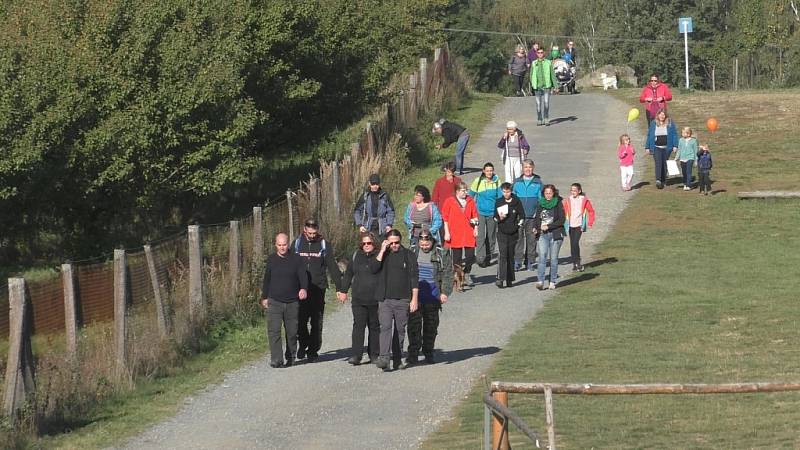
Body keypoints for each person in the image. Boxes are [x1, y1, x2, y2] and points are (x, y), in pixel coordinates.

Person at [290, 218, 342, 362]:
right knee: (300, 320)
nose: (312, 236)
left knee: (316, 321)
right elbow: (289, 265)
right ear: (305, 229)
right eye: (310, 233)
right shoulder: (297, 244)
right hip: (300, 289)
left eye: (314, 233)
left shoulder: (324, 245)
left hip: (318, 288)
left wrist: (340, 287)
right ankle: (303, 343)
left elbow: (332, 266)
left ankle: (313, 350)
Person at [260, 233, 308, 368]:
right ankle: (276, 359)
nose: (282, 247)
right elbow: (267, 279)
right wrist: (264, 297)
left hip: (292, 302)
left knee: (292, 332)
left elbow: (303, 276)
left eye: (284, 245)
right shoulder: (271, 260)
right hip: (274, 301)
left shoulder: (296, 259)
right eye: (279, 245)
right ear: (276, 245)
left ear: (288, 244)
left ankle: (291, 356)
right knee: (274, 331)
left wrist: (303, 288)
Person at [374, 229, 419, 372]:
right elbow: (374, 269)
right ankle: (384, 358)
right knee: (385, 327)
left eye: (397, 242)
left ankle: (398, 358)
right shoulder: (383, 255)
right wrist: (382, 250)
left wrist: (414, 299)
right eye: (391, 243)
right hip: (385, 299)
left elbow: (414, 278)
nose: (394, 245)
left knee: (400, 330)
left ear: (401, 241)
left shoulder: (409, 255)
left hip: (403, 299)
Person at [406, 230, 453, 365]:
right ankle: (413, 354)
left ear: (432, 241)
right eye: (422, 244)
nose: (424, 246)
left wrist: (445, 292)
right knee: (413, 327)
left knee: (431, 326)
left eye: (427, 244)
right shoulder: (412, 251)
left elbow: (448, 273)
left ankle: (428, 352)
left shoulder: (441, 253)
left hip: (433, 295)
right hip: (416, 295)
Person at [338, 232, 382, 365]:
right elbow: (348, 274)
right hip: (358, 298)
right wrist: (343, 290)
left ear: (374, 243)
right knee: (358, 326)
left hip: (376, 298)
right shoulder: (356, 255)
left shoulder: (380, 256)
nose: (366, 245)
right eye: (364, 243)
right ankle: (356, 355)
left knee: (374, 326)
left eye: (369, 243)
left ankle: (374, 354)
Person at [441, 181, 479, 288]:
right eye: (463, 190)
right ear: (457, 191)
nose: (465, 192)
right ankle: (458, 278)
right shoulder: (450, 201)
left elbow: (475, 215)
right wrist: (447, 232)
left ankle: (466, 272)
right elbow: (445, 218)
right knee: (456, 258)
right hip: (455, 232)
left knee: (470, 256)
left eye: (466, 190)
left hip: (468, 232)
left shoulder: (470, 200)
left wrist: (476, 227)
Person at [469, 162, 501, 268]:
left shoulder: (497, 181)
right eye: (487, 170)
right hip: (480, 212)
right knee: (480, 236)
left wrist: (501, 212)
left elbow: (500, 198)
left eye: (491, 170)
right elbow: (470, 196)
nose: (489, 172)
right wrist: (470, 210)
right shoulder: (478, 181)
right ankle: (480, 258)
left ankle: (488, 256)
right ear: (483, 171)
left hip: (492, 213)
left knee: (491, 237)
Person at [512, 159, 543, 271]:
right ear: (522, 168)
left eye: (530, 167)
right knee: (518, 239)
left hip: (532, 216)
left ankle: (530, 261)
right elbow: (513, 198)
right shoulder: (517, 182)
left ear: (533, 168)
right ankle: (517, 261)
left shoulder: (538, 182)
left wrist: (538, 213)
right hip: (519, 217)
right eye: (525, 167)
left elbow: (541, 200)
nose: (528, 169)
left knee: (531, 239)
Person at [493, 183, 525, 288]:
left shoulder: (516, 201)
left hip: (513, 232)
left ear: (511, 191)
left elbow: (522, 215)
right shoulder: (499, 201)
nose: (506, 194)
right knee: (503, 255)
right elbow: (495, 216)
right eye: (504, 192)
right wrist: (499, 218)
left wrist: (519, 224)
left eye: (508, 191)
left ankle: (509, 278)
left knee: (510, 255)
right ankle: (500, 279)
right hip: (502, 232)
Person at [533, 184, 565, 290]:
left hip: (555, 234)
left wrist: (549, 226)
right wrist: (535, 228)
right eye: (546, 193)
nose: (548, 195)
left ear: (554, 193)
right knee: (542, 257)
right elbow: (536, 218)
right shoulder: (540, 203)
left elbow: (561, 220)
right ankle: (540, 281)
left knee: (554, 259)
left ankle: (552, 281)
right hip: (543, 234)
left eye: (550, 193)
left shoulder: (558, 203)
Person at [562, 183, 595, 272]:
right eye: (571, 190)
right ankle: (575, 263)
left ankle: (578, 262)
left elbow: (591, 211)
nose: (573, 192)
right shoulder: (568, 200)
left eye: (575, 190)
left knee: (575, 242)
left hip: (579, 225)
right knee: (572, 244)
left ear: (579, 191)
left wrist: (590, 222)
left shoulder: (584, 200)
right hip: (570, 225)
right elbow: (564, 212)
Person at [645, 109, 679, 190]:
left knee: (664, 164)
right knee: (658, 163)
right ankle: (658, 180)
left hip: (667, 147)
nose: (662, 116)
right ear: (657, 115)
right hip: (656, 147)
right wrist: (647, 147)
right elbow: (649, 135)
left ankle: (663, 179)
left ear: (666, 116)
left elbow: (674, 134)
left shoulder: (670, 123)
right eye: (660, 114)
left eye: (663, 115)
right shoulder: (653, 123)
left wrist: (675, 146)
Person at [354, 173, 395, 239]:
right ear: (369, 184)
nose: (375, 186)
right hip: (367, 227)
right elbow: (357, 211)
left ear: (379, 184)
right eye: (373, 184)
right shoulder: (365, 196)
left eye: (377, 184)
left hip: (382, 227)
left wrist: (389, 224)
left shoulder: (384, 196)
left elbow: (391, 211)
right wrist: (360, 225)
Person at [530, 47, 557, 126]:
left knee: (546, 103)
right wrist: (532, 83)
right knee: (538, 104)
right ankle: (539, 118)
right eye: (539, 53)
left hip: (546, 86)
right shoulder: (534, 63)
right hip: (537, 87)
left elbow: (552, 75)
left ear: (544, 53)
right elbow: (531, 75)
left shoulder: (548, 62)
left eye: (541, 52)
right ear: (536, 54)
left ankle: (546, 118)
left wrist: (555, 85)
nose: (540, 54)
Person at [676, 126, 698, 191]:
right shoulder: (680, 140)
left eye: (683, 133)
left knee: (689, 172)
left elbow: (695, 151)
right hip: (682, 158)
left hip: (690, 158)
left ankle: (688, 185)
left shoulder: (693, 141)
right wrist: (676, 158)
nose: (682, 134)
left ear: (688, 134)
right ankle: (685, 184)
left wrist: (696, 160)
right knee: (684, 172)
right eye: (682, 133)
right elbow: (679, 149)